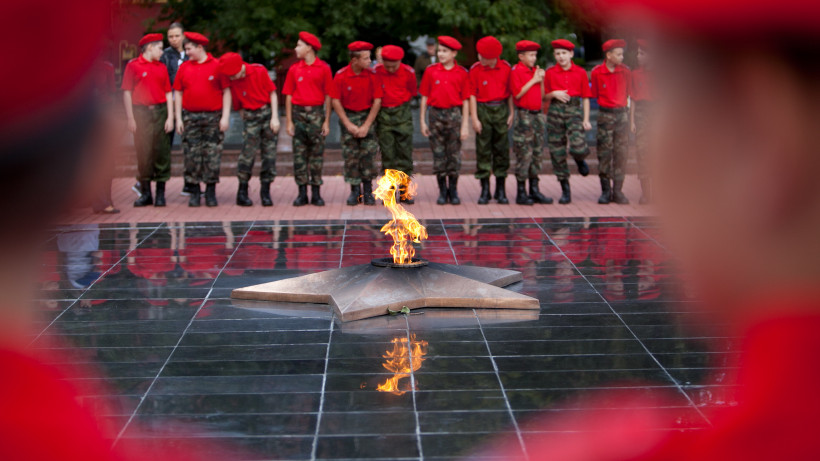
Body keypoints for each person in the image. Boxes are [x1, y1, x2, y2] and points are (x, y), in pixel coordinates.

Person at [173, 31, 231, 207]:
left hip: (213, 117)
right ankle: (195, 191)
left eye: (189, 49)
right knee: (191, 154)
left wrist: (225, 117)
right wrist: (178, 118)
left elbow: (226, 91)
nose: (187, 53)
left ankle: (211, 191)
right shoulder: (184, 67)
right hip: (190, 117)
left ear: (199, 47)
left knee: (212, 154)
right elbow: (178, 92)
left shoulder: (217, 65)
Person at [218, 52, 280, 207]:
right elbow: (237, 104)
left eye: (234, 75)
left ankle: (265, 191)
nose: (233, 78)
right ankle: (242, 191)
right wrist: (245, 117)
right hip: (250, 117)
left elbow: (272, 93)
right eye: (230, 76)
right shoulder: (232, 78)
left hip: (266, 114)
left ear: (241, 67)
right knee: (247, 155)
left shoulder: (259, 71)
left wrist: (275, 117)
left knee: (269, 155)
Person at [122, 33, 174, 208]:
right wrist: (130, 117)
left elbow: (168, 93)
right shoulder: (133, 66)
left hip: (160, 111)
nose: (162, 52)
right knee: (143, 152)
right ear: (149, 47)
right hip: (141, 113)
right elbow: (127, 92)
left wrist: (170, 117)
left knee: (161, 152)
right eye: (159, 48)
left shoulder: (161, 67)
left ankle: (160, 194)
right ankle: (146, 194)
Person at [282, 31, 333, 207]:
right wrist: (289, 121)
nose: (296, 49)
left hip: (317, 115)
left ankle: (316, 193)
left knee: (317, 156)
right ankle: (302, 193)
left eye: (299, 45)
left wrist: (326, 121)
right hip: (298, 115)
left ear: (309, 48)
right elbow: (288, 95)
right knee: (299, 156)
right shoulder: (294, 69)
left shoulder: (324, 68)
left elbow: (328, 96)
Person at [419, 35, 471, 206]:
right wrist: (422, 121)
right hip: (435, 115)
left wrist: (465, 125)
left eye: (445, 51)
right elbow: (424, 97)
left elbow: (466, 100)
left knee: (454, 155)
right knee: (439, 155)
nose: (440, 54)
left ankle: (453, 190)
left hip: (454, 115)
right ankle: (442, 191)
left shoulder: (462, 73)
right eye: (439, 51)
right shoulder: (431, 71)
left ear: (454, 53)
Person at [331, 41, 383, 206]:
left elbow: (377, 101)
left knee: (368, 155)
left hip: (367, 117)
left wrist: (366, 125)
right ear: (354, 60)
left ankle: (368, 191)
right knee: (351, 156)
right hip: (349, 116)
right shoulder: (341, 75)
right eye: (366, 58)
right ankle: (355, 191)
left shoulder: (372, 75)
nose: (370, 61)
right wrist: (348, 124)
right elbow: (335, 100)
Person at [544, 39, 593, 205]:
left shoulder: (580, 72)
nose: (561, 56)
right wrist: (553, 94)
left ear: (571, 54)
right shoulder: (550, 73)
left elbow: (586, 97)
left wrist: (586, 119)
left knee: (578, 145)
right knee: (557, 151)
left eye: (564, 53)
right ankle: (565, 189)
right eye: (557, 53)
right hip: (555, 110)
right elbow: (544, 96)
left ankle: (580, 159)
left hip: (574, 110)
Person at [469, 36, 513, 205]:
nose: (480, 58)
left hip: (500, 108)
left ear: (493, 57)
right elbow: (472, 95)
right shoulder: (476, 69)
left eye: (483, 56)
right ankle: (485, 189)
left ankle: (500, 189)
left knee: (501, 150)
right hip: (483, 109)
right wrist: (475, 118)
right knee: (483, 150)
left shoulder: (506, 68)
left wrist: (511, 113)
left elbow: (510, 93)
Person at [373, 44, 418, 203]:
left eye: (394, 66)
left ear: (400, 61)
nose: (391, 69)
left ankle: (405, 190)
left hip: (402, 113)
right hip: (384, 115)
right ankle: (390, 191)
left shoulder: (408, 72)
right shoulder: (376, 72)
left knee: (405, 153)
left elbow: (412, 91)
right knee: (388, 155)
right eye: (388, 66)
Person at [510, 40, 553, 205]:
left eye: (535, 55)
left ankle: (534, 190)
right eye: (531, 55)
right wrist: (534, 80)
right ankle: (521, 192)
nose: (534, 58)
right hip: (524, 116)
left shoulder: (535, 71)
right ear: (521, 56)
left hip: (538, 115)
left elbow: (542, 95)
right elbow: (517, 94)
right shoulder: (516, 71)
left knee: (537, 153)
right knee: (524, 153)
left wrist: (540, 80)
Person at [590, 39, 632, 205]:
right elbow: (595, 94)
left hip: (621, 115)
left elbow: (629, 93)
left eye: (622, 54)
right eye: (618, 54)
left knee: (621, 153)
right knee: (604, 153)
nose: (622, 57)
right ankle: (605, 191)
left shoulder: (625, 71)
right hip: (605, 115)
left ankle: (618, 190)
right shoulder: (597, 72)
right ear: (609, 55)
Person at [159, 22, 194, 196]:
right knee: (164, 144)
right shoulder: (164, 56)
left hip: (189, 105)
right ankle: (151, 183)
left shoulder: (190, 54)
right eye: (170, 36)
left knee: (190, 146)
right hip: (169, 105)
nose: (173, 39)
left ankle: (190, 183)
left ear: (183, 36)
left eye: (176, 36)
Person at [630, 39, 653, 204]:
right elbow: (633, 99)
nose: (638, 56)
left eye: (642, 54)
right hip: (641, 113)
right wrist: (632, 121)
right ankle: (645, 193)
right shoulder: (635, 74)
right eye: (638, 53)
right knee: (642, 151)